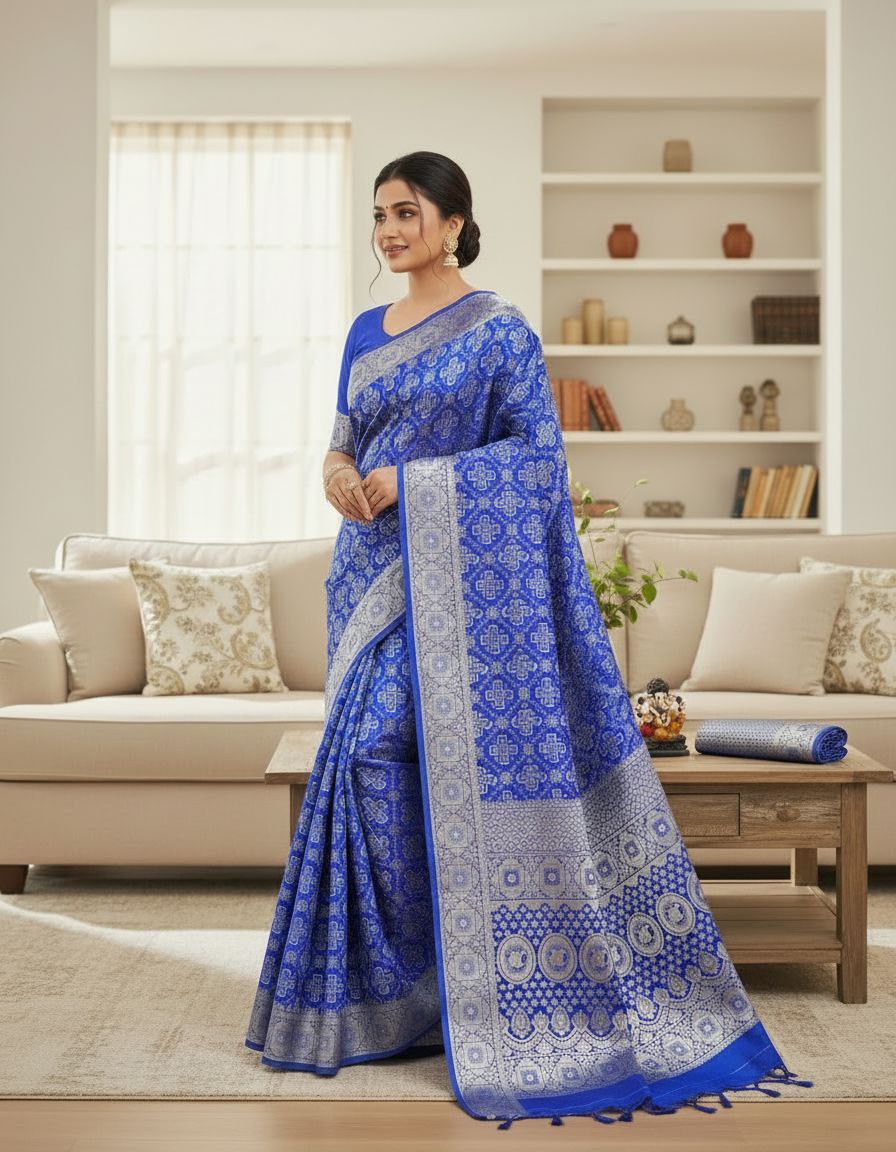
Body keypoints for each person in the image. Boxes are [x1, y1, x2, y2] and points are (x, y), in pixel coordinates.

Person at [244, 151, 812, 1127]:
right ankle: (406, 993)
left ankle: (475, 991)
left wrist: (415, 483)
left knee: (412, 757)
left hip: (461, 589)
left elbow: (537, 458)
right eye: (379, 215)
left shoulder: (498, 330)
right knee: (370, 762)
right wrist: (337, 473)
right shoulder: (364, 331)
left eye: (407, 213)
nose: (388, 231)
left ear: (454, 224)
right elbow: (341, 437)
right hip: (370, 582)